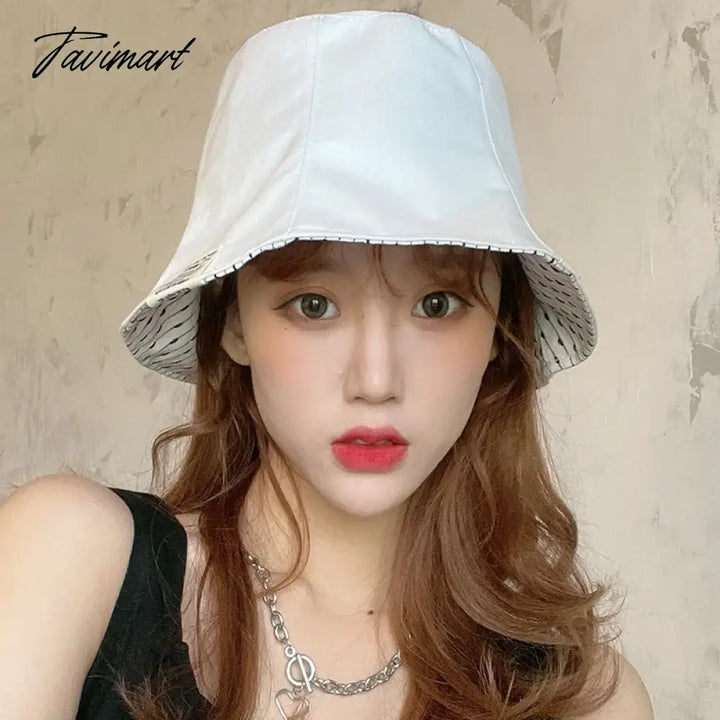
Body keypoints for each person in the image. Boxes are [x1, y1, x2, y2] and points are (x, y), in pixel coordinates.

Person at [0, 9, 654, 720]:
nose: (375, 381)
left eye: (437, 304)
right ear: (233, 324)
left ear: (500, 330)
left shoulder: (584, 697)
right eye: (314, 305)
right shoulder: (70, 558)